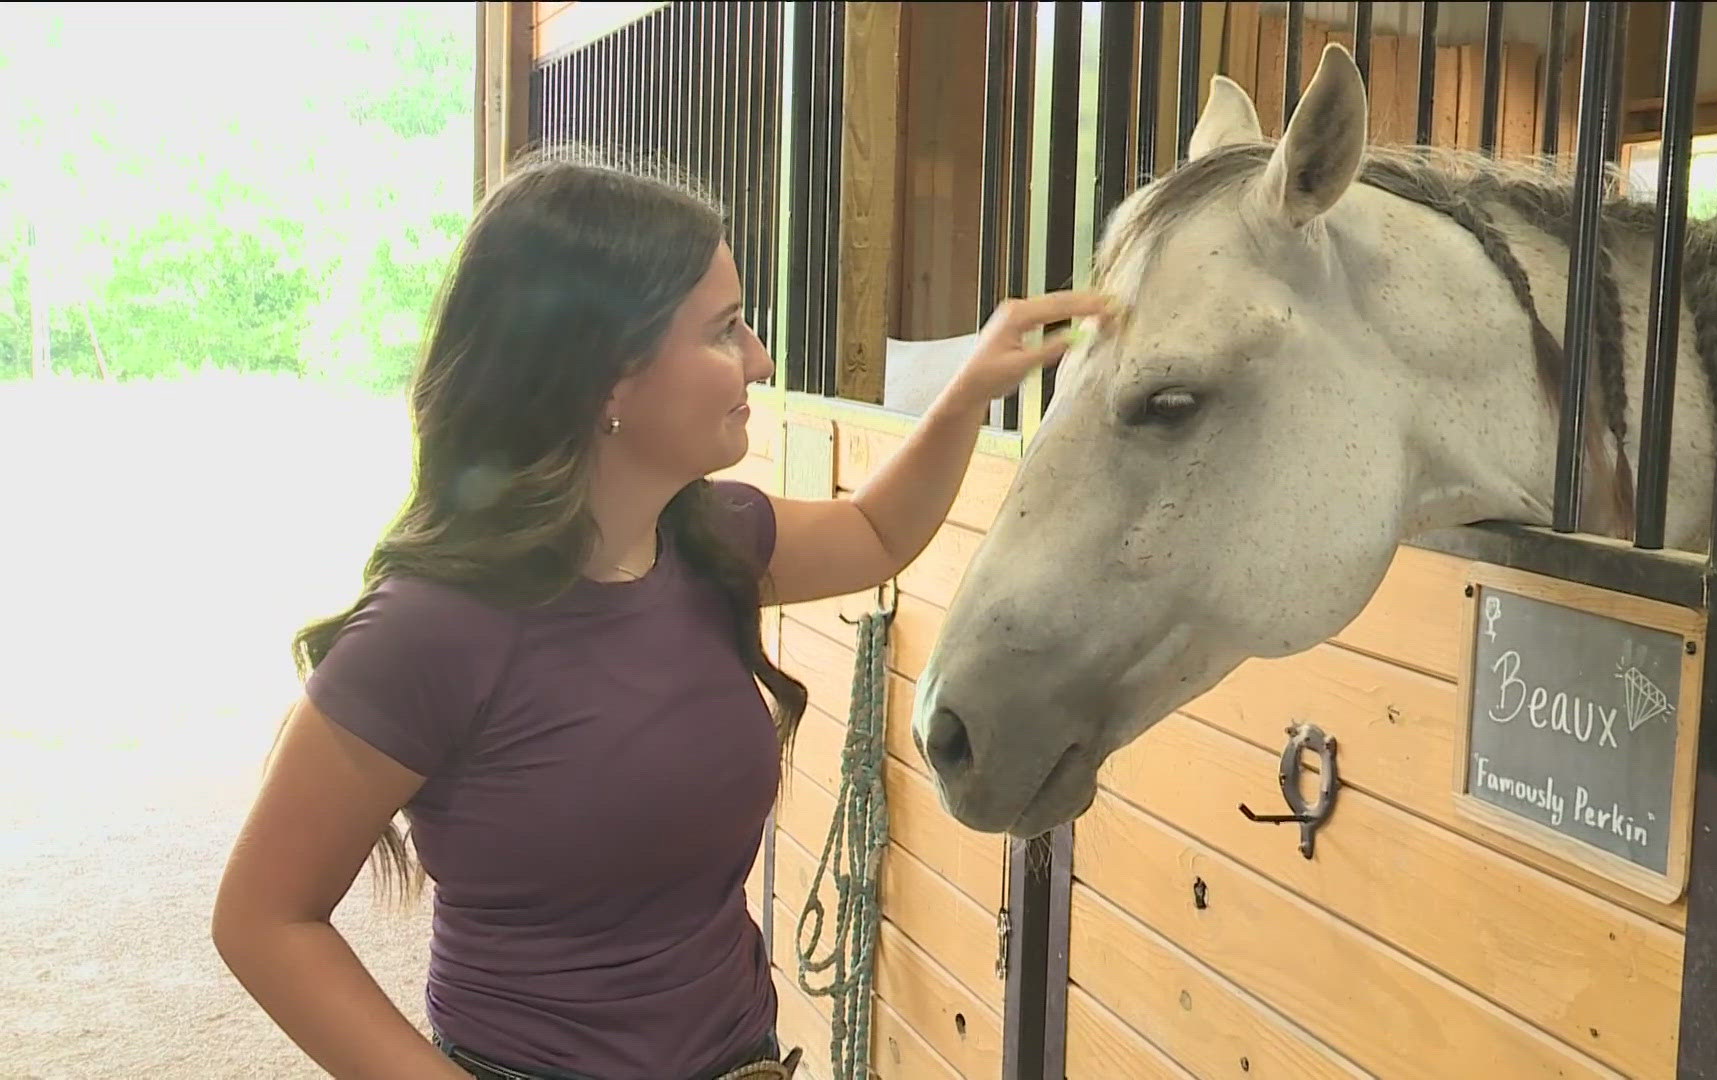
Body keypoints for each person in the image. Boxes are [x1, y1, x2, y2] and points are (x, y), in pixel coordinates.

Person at [209, 151, 1109, 1080]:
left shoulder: (709, 541)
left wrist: (969, 388)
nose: (759, 358)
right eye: (724, 332)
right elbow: (264, 917)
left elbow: (877, 532)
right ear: (604, 376)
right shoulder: (430, 629)